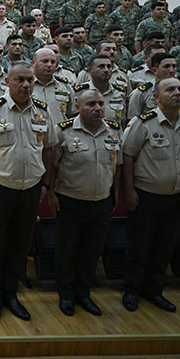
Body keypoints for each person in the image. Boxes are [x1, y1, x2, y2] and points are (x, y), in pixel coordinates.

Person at [0, 61, 55, 322]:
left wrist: (46, 184)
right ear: (7, 81)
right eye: (20, 80)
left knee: (19, 245)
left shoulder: (42, 111)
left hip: (30, 189)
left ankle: (12, 293)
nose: (26, 85)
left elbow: (48, 149)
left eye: (30, 80)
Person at [121, 76, 180, 313]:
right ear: (156, 97)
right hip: (146, 195)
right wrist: (130, 191)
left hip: (176, 196)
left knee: (164, 247)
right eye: (170, 90)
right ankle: (132, 290)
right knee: (140, 246)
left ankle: (154, 290)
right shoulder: (143, 123)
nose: (177, 93)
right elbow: (127, 157)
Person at [49, 89, 122, 317]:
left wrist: (115, 193)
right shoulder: (65, 131)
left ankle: (84, 293)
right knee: (68, 251)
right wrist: (50, 192)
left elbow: (118, 165)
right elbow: (52, 165)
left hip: (101, 201)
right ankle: (67, 294)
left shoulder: (113, 130)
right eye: (91, 104)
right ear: (78, 107)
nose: (98, 108)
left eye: (100, 104)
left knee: (92, 252)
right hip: (71, 200)